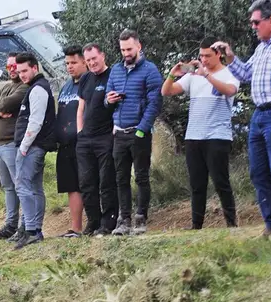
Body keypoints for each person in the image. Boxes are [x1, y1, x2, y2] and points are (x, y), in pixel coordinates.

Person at [161, 38, 240, 230]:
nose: (203, 60)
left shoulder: (229, 73)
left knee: (221, 181)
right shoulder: (193, 76)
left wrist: (207, 77)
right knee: (197, 184)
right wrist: (173, 74)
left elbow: (230, 90)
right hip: (194, 136)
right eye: (201, 55)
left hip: (217, 136)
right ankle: (196, 225)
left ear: (218, 54)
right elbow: (166, 91)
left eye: (208, 56)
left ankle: (232, 224)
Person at [216, 0, 271, 237]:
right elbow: (246, 74)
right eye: (251, 22)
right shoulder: (261, 48)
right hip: (259, 116)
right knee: (258, 173)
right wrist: (229, 57)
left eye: (256, 22)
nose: (253, 26)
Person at [105, 29, 164, 236]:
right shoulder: (115, 70)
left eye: (129, 49)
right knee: (121, 178)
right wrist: (109, 100)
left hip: (138, 133)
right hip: (119, 132)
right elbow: (107, 99)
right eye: (122, 49)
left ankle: (141, 217)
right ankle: (124, 220)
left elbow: (155, 102)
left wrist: (142, 129)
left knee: (141, 177)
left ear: (138, 46)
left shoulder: (150, 70)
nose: (126, 53)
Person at [13, 52, 56, 249]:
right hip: (35, 146)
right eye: (18, 71)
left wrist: (23, 147)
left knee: (23, 186)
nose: (21, 74)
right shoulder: (36, 88)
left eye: (24, 70)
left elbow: (36, 121)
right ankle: (35, 230)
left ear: (34, 68)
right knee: (35, 188)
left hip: (32, 146)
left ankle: (31, 230)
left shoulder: (38, 90)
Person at [0, 52, 30, 241]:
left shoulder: (23, 88)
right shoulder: (6, 86)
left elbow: (6, 103)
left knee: (20, 185)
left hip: (13, 143)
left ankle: (25, 225)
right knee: (8, 187)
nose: (12, 70)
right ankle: (10, 224)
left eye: (15, 66)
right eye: (9, 67)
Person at [77, 43, 119, 236]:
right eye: (88, 60)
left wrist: (113, 132)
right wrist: (80, 132)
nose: (92, 63)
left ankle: (108, 222)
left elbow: (118, 105)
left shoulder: (113, 76)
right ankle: (93, 221)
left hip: (105, 137)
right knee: (86, 182)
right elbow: (81, 108)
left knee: (106, 181)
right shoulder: (85, 78)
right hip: (85, 138)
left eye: (94, 58)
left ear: (103, 56)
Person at [56, 46, 88, 238]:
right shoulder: (66, 86)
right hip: (65, 144)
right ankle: (76, 228)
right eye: (67, 63)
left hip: (84, 142)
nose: (69, 66)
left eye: (74, 62)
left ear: (84, 62)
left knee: (88, 183)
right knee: (72, 186)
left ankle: (97, 223)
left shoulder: (90, 82)